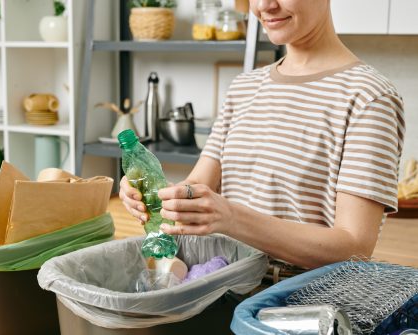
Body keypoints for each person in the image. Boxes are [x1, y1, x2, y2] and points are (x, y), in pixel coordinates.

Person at [119, 0, 405, 269]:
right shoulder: (244, 87)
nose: (264, 6)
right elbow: (197, 185)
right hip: (221, 281)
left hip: (297, 307)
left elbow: (353, 248)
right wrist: (156, 195)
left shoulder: (369, 97)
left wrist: (230, 217)